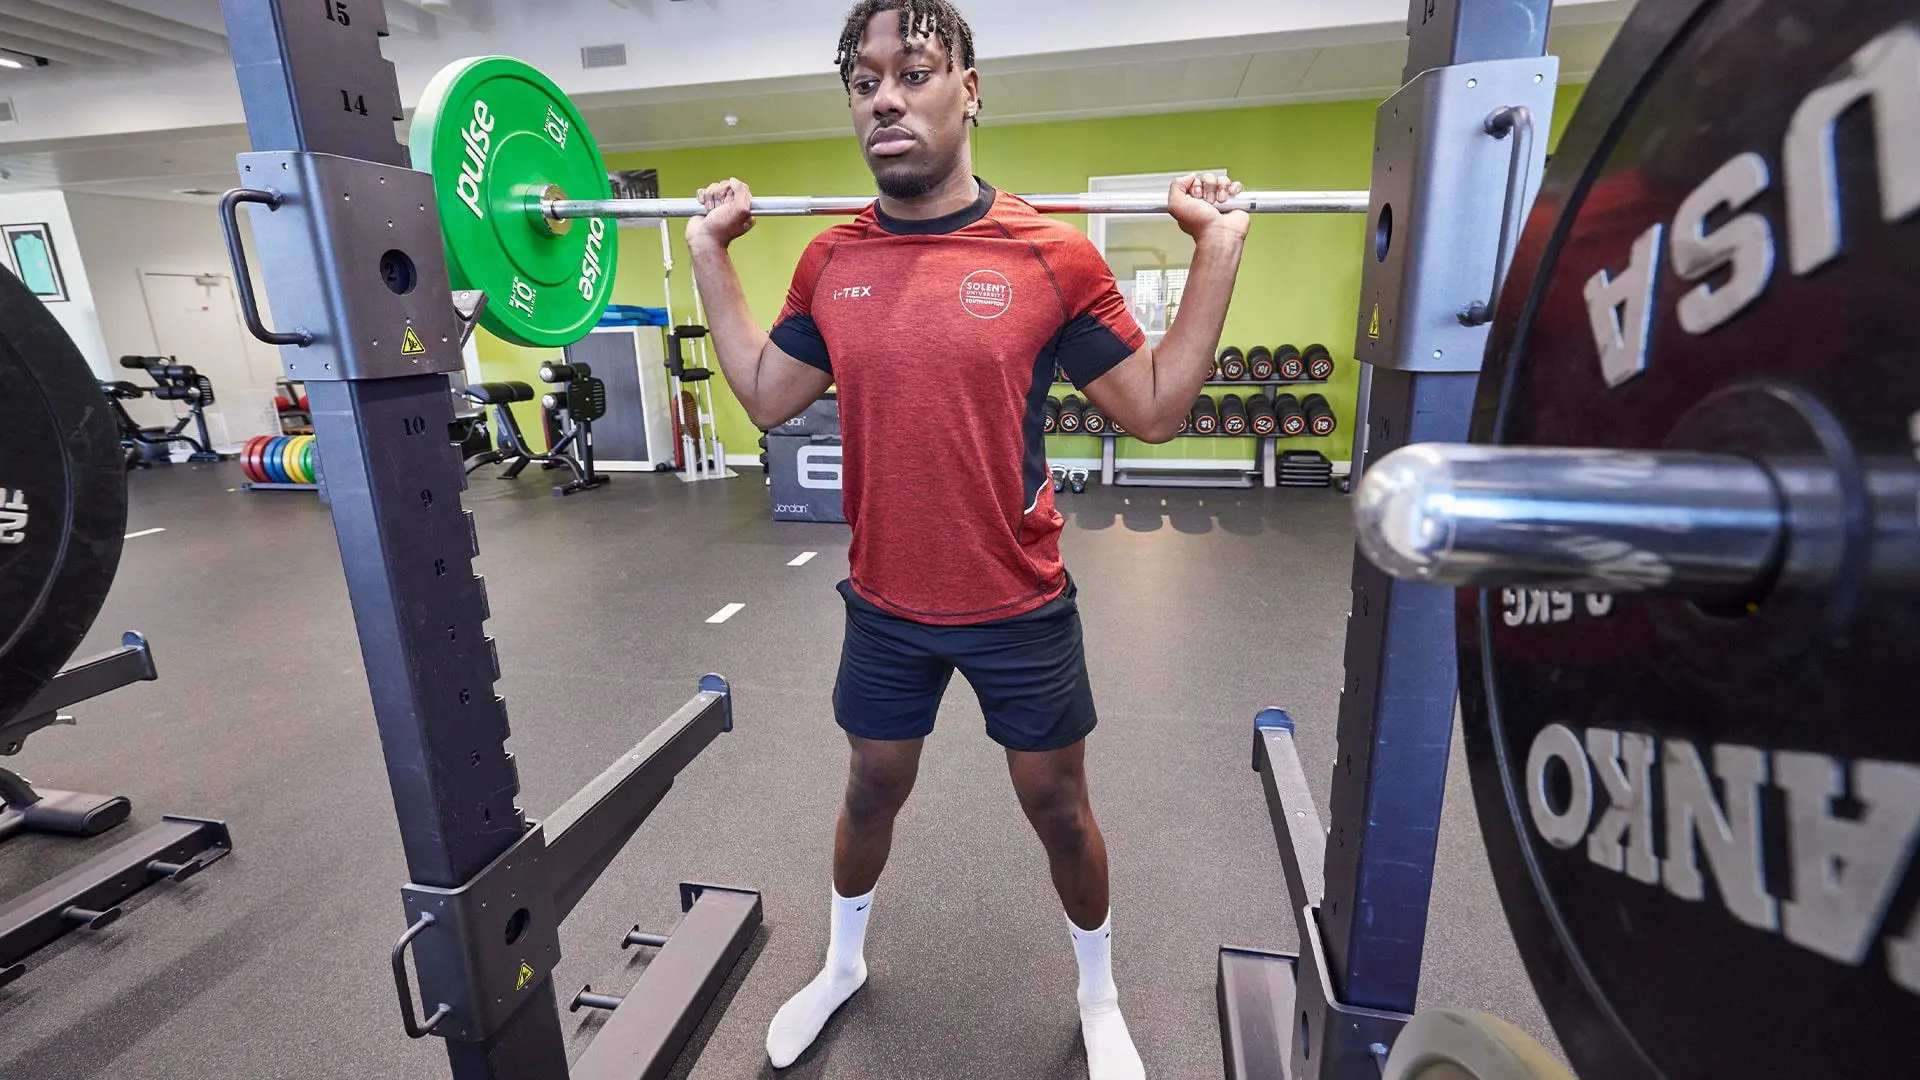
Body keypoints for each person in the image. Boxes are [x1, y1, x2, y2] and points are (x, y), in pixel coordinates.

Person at [685, 1, 1249, 1074]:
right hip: (884, 603)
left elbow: (1156, 407)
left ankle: (1099, 994)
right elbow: (763, 392)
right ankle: (842, 964)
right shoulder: (830, 261)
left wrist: (1216, 248)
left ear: (969, 90)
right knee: (870, 788)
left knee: (1058, 807)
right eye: (864, 83)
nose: (885, 99)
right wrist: (709, 252)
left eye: (914, 72)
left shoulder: (1050, 255)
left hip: (1018, 602)